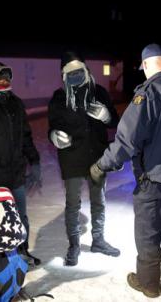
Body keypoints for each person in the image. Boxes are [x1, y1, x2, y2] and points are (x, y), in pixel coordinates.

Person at [90, 44, 161, 302]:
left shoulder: (150, 93)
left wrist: (102, 165)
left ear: (146, 65)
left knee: (148, 234)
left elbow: (127, 139)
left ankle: (149, 284)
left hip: (156, 180)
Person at [48, 51, 120, 267]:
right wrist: (55, 136)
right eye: (71, 72)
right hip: (71, 158)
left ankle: (98, 240)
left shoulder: (99, 92)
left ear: (86, 70)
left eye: (79, 71)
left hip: (97, 156)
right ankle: (74, 245)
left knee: (99, 201)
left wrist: (106, 115)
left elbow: (113, 121)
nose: (76, 75)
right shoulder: (60, 97)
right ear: (64, 75)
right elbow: (53, 126)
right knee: (73, 205)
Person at [0, 62, 41, 264]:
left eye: (7, 77)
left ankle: (22, 253)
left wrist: (34, 160)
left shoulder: (16, 103)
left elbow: (25, 134)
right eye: (0, 77)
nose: (4, 81)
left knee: (21, 217)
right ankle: (1, 261)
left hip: (16, 174)